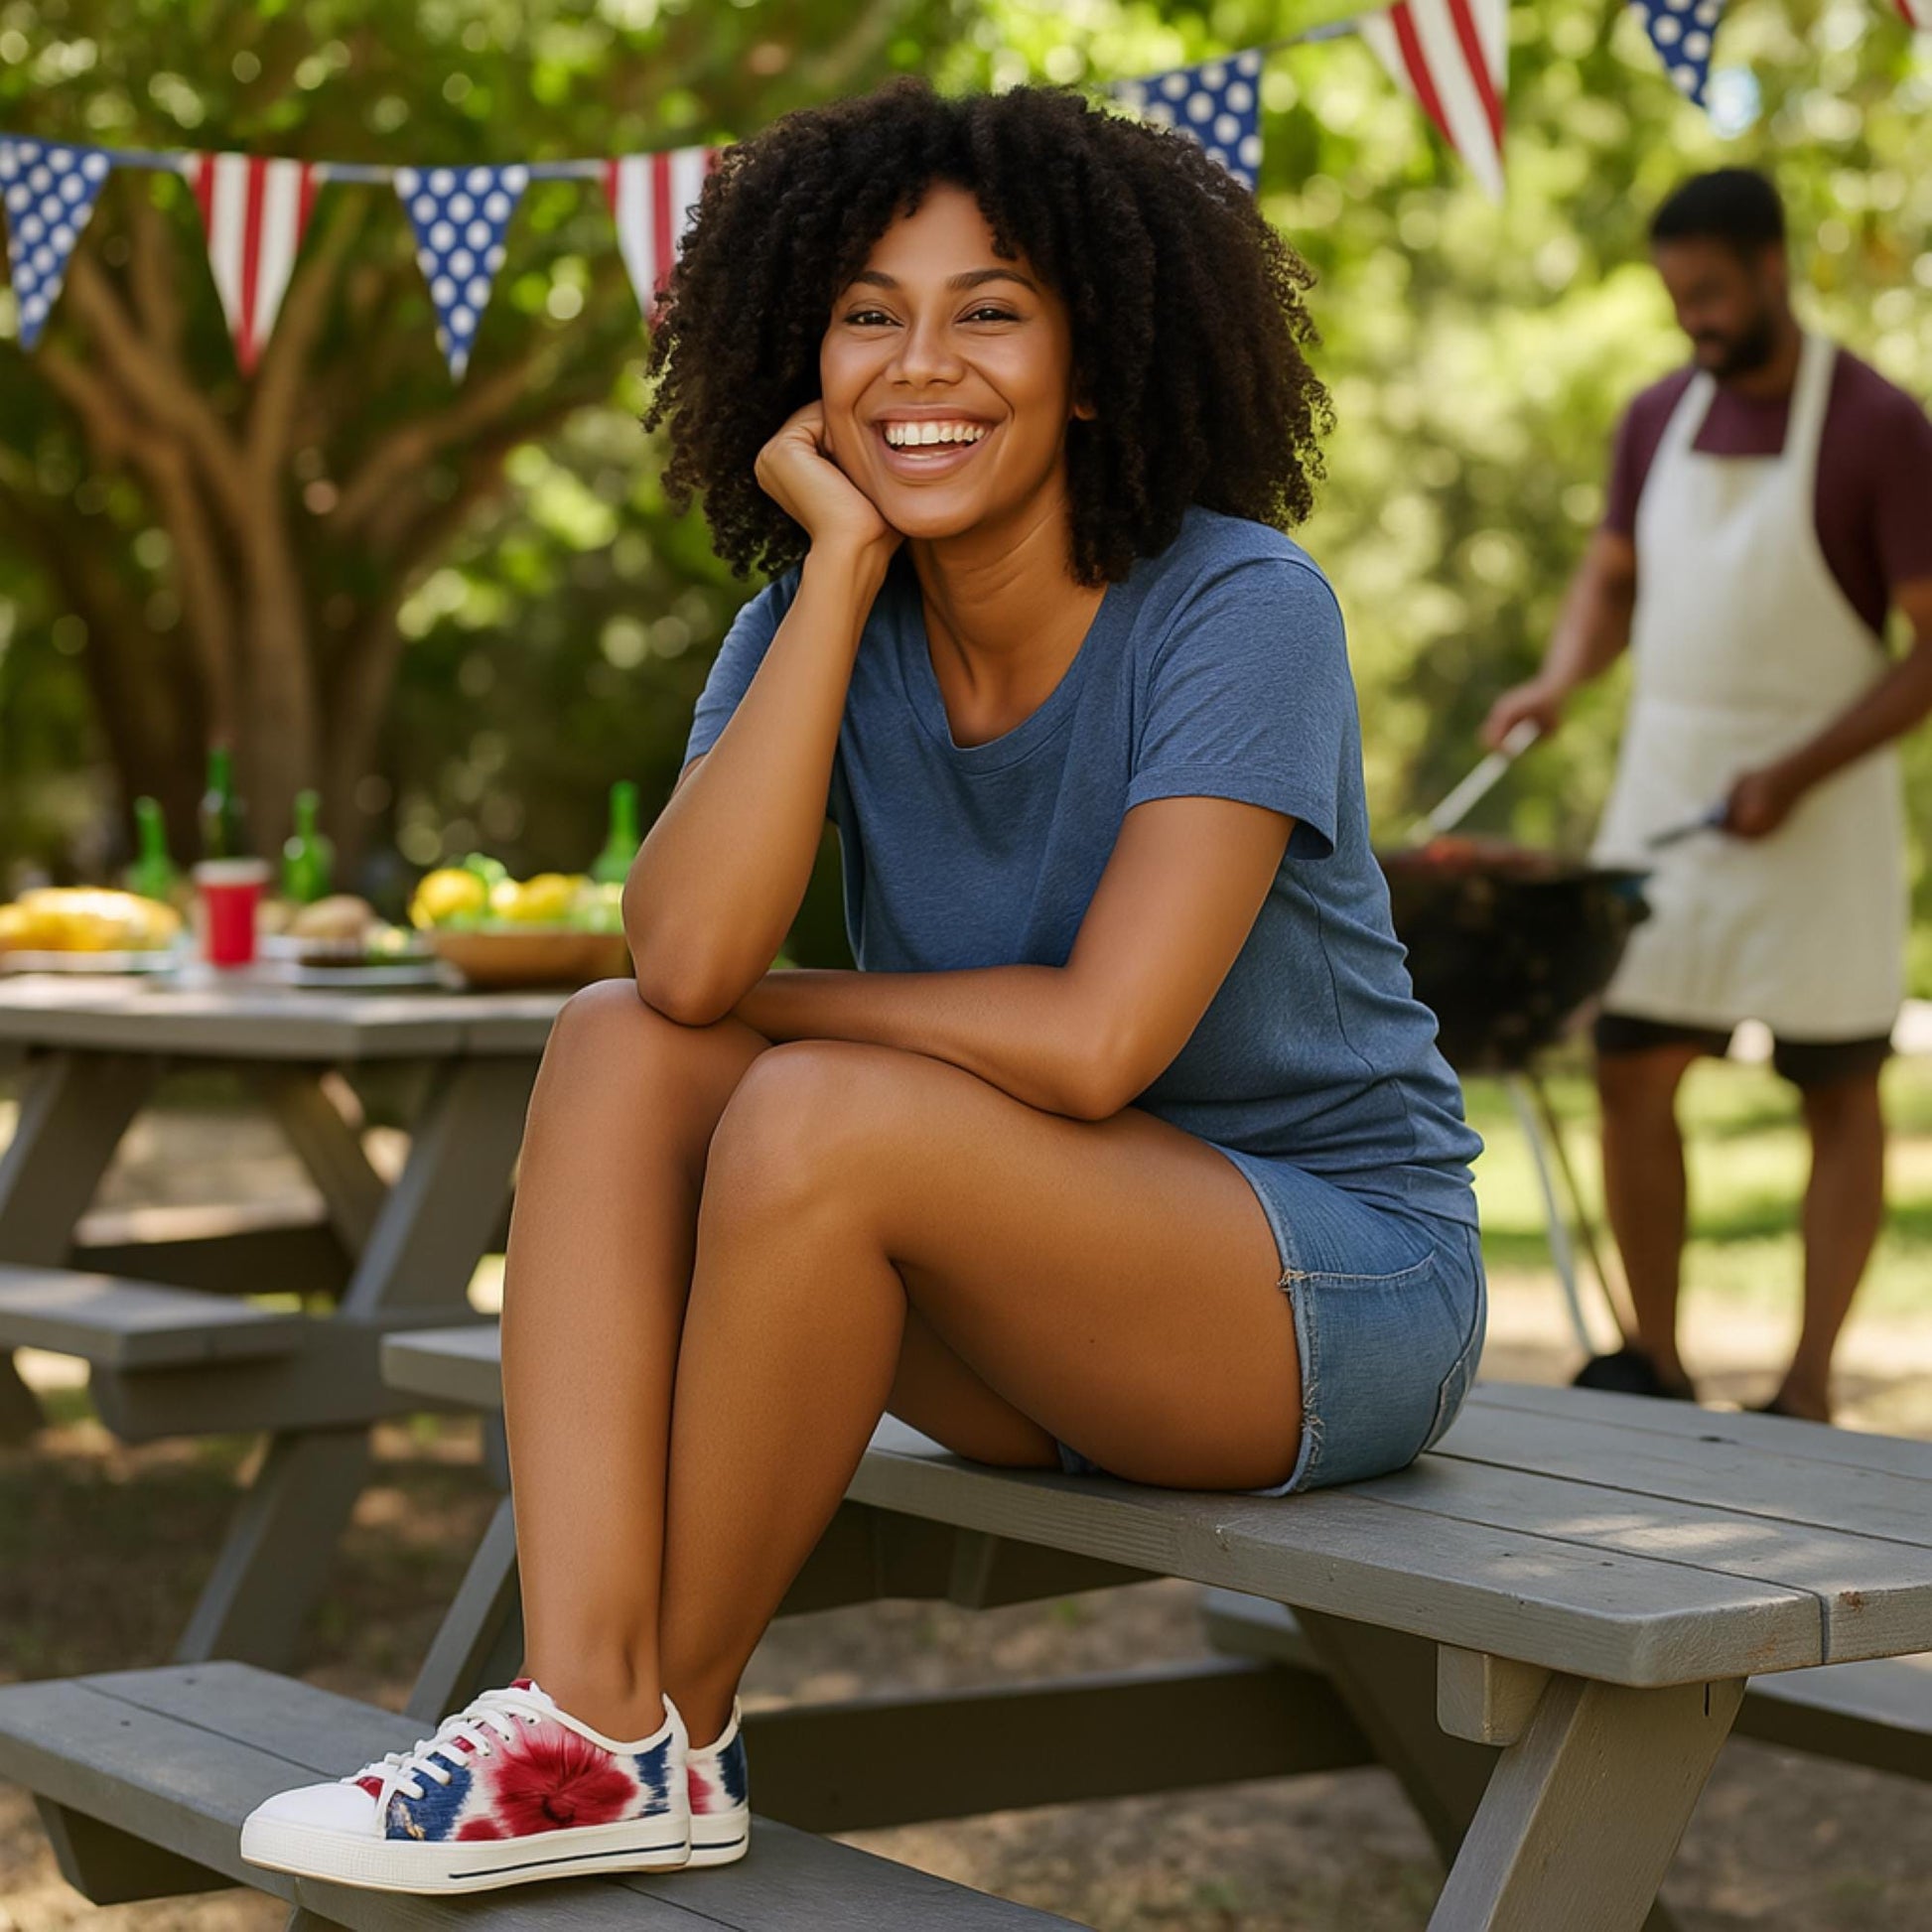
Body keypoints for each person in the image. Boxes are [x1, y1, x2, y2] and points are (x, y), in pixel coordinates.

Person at [239, 74, 1484, 1895]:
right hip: (1021, 1292)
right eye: (866, 316)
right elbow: (672, 964)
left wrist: (779, 1021)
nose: (924, 364)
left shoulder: (1240, 606)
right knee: (614, 1044)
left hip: (1325, 1289)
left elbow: (1097, 1039)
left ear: (1097, 359)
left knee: (794, 1097)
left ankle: (669, 1715)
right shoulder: (819, 622)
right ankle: (588, 1710)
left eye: (991, 310)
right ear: (796, 361)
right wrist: (834, 571)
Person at [1484, 168, 1932, 1423]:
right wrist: (1558, 678)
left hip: (1820, 800)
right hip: (1670, 789)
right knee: (1629, 1061)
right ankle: (1659, 1366)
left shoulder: (1877, 425)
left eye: (1711, 292)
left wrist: (1794, 773)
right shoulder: (1651, 420)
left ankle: (1802, 1387)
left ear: (1772, 269)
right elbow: (1609, 581)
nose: (1692, 316)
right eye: (1675, 294)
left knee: (1835, 1082)